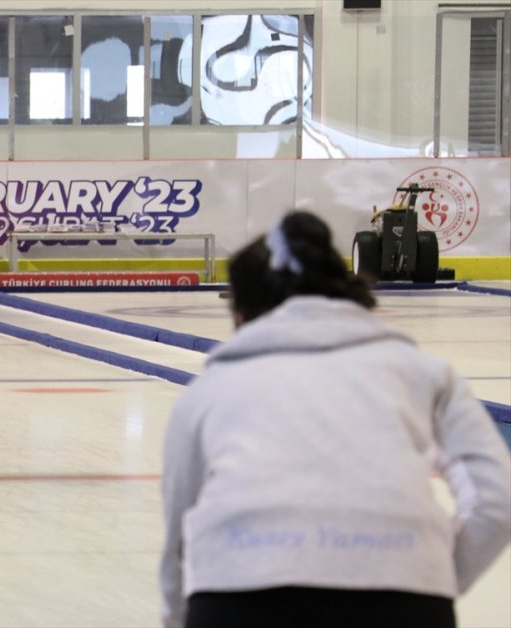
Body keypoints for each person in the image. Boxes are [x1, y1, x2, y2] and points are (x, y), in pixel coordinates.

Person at [159, 210, 511, 628]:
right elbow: (496, 499)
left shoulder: (210, 390)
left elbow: (181, 536)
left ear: (241, 314)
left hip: (240, 593)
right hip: (406, 598)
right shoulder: (423, 373)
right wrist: (427, 571)